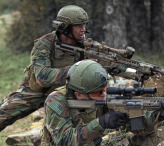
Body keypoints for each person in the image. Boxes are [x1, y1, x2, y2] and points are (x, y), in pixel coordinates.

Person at [0, 5, 135, 131]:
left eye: (84, 25)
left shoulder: (87, 46)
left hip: (68, 93)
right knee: (3, 114)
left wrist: (136, 72)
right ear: (64, 27)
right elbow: (42, 77)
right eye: (78, 25)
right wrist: (78, 68)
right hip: (36, 92)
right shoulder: (45, 43)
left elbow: (111, 63)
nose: (83, 29)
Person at [35, 60, 164, 146]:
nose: (104, 95)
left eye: (105, 89)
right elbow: (66, 144)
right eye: (97, 92)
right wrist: (101, 123)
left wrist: (159, 114)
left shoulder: (105, 99)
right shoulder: (56, 101)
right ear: (79, 94)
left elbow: (138, 127)